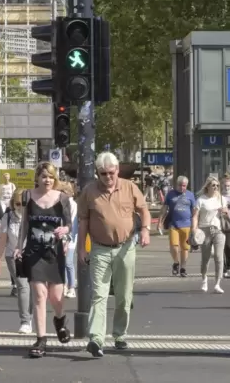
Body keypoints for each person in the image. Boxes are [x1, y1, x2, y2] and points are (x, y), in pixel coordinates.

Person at [77, 152, 151, 358]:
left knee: (123, 295)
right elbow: (83, 221)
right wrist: (81, 248)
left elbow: (144, 210)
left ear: (117, 170)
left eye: (111, 172)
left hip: (126, 247)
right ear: (97, 173)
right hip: (100, 249)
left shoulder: (129, 187)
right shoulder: (89, 191)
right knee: (99, 295)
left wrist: (145, 230)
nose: (108, 177)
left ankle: (119, 334)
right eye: (103, 173)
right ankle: (96, 338)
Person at [14, 162, 72, 358]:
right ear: (37, 177)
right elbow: (24, 224)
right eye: (43, 176)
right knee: (39, 295)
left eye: (50, 176)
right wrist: (18, 246)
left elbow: (69, 225)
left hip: (55, 253)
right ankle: (41, 339)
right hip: (34, 251)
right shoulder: (28, 196)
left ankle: (59, 319)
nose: (47, 180)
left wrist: (65, 231)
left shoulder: (62, 198)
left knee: (56, 297)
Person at [0, 188, 33, 334]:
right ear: (13, 204)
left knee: (33, 289)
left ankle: (30, 316)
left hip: (32, 255)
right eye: (17, 204)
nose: (21, 207)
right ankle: (25, 321)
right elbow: (2, 239)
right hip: (13, 256)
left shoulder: (33, 216)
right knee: (23, 286)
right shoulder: (8, 217)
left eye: (24, 204)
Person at [191, 175, 229, 294]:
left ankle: (217, 284)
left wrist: (225, 212)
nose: (216, 187)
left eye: (218, 185)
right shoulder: (201, 200)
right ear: (207, 186)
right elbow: (195, 216)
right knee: (206, 258)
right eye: (213, 185)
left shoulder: (222, 199)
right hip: (204, 230)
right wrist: (194, 229)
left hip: (218, 230)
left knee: (219, 257)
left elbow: (227, 214)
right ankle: (204, 279)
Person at [157, 175, 195, 278]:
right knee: (174, 246)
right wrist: (160, 221)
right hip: (174, 224)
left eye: (184, 186)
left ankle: (183, 268)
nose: (182, 188)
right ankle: (176, 262)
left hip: (187, 225)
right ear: (176, 184)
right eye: (180, 185)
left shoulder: (190, 195)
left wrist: (195, 226)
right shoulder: (170, 194)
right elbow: (164, 208)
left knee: (185, 248)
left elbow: (194, 211)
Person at [60, 183, 79, 298]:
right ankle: (65, 285)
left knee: (68, 262)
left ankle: (72, 287)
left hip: (70, 238)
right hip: (63, 236)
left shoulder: (72, 204)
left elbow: (72, 223)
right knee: (63, 263)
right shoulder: (62, 203)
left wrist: (68, 240)